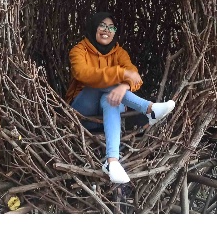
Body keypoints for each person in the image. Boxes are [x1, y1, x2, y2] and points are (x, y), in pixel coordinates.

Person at [67, 12, 176, 184]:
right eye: (102, 26)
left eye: (111, 27)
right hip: (82, 113)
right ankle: (149, 109)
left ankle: (112, 161)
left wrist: (123, 86)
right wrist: (121, 74)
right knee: (97, 85)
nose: (107, 31)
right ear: (94, 27)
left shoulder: (119, 53)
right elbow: (84, 74)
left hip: (107, 115)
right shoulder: (78, 50)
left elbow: (135, 77)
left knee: (110, 100)